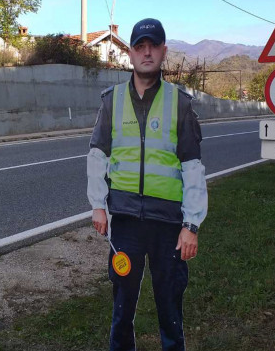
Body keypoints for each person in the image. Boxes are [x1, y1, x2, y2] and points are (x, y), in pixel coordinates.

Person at [87, 18, 208, 351]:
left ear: (163, 51)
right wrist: (98, 204)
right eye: (140, 46)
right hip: (125, 220)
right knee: (122, 306)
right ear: (130, 53)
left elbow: (193, 168)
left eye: (153, 45)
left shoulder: (180, 103)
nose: (147, 52)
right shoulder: (112, 101)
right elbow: (98, 155)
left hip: (168, 224)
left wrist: (191, 225)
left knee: (170, 305)